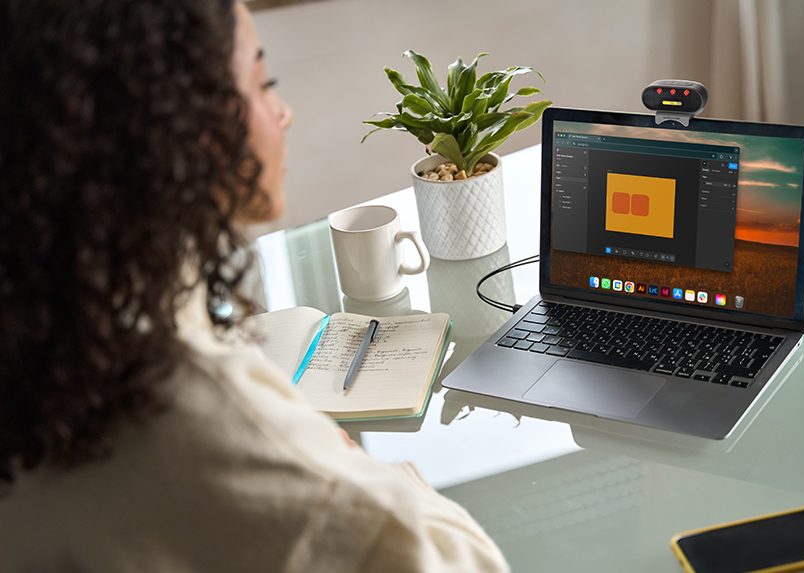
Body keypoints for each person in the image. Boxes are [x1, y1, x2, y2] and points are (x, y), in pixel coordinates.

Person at [0, 1, 510, 571]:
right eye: (264, 83)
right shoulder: (205, 416)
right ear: (177, 126)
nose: (283, 113)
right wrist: (355, 467)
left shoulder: (45, 337)